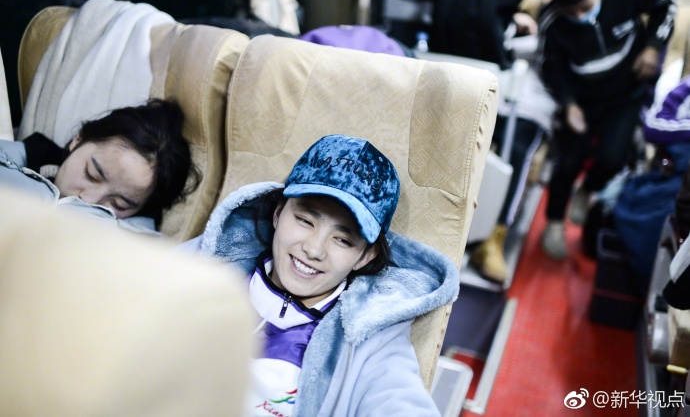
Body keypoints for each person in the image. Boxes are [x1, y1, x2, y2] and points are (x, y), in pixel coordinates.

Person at [183, 134, 456, 416]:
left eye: (343, 240)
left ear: (365, 256)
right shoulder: (203, 264)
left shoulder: (370, 338)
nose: (314, 250)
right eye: (304, 220)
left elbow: (398, 401)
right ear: (278, 213)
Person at [537, 0, 678, 260]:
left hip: (626, 93)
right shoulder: (552, 19)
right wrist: (569, 104)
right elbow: (550, 67)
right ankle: (554, 222)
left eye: (585, 7)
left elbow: (667, 2)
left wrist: (653, 46)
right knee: (567, 162)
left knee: (613, 158)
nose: (579, 16)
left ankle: (588, 189)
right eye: (570, 11)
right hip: (582, 98)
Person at [0, 98, 199, 232]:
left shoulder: (134, 237)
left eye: (118, 204)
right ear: (78, 139)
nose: (88, 200)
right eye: (91, 174)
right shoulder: (27, 156)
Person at [470, 11, 558, 283]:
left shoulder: (562, 38)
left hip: (532, 108)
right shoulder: (511, 23)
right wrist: (511, 25)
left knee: (518, 151)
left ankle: (495, 236)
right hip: (493, 92)